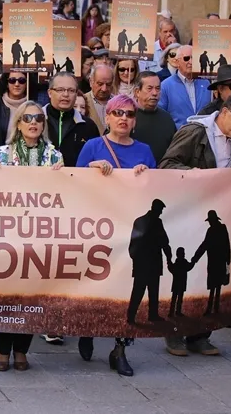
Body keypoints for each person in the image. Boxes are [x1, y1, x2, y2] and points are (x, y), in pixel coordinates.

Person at [158, 92, 231, 356]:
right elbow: (167, 164)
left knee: (208, 278)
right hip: (188, 213)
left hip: (217, 216)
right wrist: (196, 176)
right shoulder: (195, 132)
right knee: (185, 278)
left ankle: (200, 335)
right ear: (224, 112)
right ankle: (174, 334)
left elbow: (228, 177)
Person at [75, 94, 154, 373]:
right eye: (118, 113)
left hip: (131, 232)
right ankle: (88, 328)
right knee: (95, 284)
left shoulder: (145, 150)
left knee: (126, 288)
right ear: (107, 117)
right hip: (97, 229)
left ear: (135, 121)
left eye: (130, 114)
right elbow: (75, 182)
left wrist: (146, 175)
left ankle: (120, 348)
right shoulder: (94, 146)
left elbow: (154, 193)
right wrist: (91, 168)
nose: (123, 118)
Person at [0, 101, 63, 371]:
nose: (33, 122)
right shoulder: (1, 155)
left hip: (39, 236)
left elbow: (63, 195)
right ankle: (2, 350)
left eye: (39, 119)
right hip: (6, 234)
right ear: (18, 123)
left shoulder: (54, 157)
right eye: (27, 118)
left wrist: (61, 177)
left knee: (31, 296)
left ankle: (22, 350)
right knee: (7, 294)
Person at [159, 45, 211, 128]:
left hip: (204, 136)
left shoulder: (206, 83)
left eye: (193, 58)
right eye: (186, 58)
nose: (191, 62)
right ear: (177, 62)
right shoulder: (166, 85)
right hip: (179, 137)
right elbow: (161, 115)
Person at [131, 71, 177, 164]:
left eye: (158, 88)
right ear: (137, 92)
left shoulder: (167, 118)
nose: (155, 93)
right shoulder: (128, 117)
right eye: (149, 88)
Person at [84, 62, 113, 134]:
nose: (104, 89)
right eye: (100, 84)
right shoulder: (82, 101)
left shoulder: (119, 103)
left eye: (108, 84)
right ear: (91, 82)